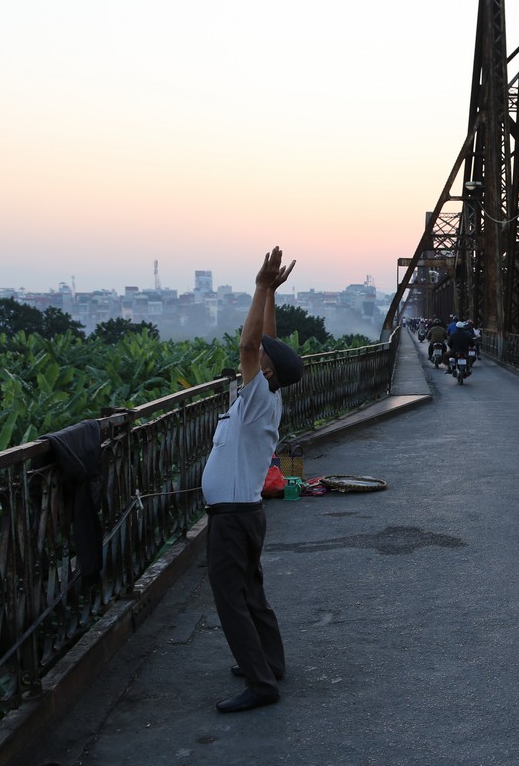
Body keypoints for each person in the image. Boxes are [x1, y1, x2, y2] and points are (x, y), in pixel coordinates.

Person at [201, 246, 303, 714]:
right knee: (251, 593)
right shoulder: (266, 395)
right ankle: (271, 663)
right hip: (244, 512)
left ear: (265, 372)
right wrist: (272, 297)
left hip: (233, 517)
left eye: (261, 359)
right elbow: (269, 344)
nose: (254, 355)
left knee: (232, 601)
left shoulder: (259, 395)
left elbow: (251, 346)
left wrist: (261, 286)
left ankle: (261, 683)